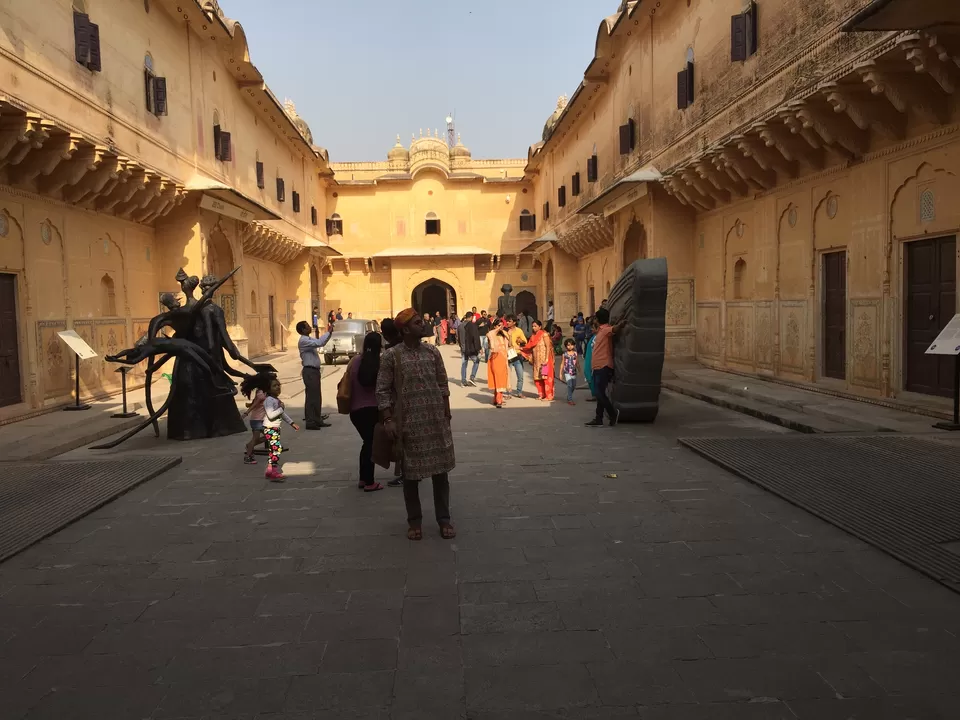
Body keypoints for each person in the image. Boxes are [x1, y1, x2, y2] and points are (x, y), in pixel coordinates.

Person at [377, 309, 456, 541]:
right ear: (405, 329)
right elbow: (382, 390)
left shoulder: (432, 352)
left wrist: (446, 413)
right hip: (408, 424)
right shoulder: (392, 356)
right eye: (418, 323)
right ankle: (414, 521)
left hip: (435, 422)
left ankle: (444, 519)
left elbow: (443, 383)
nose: (423, 325)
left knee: (441, 474)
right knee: (411, 476)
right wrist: (388, 419)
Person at [346, 332, 384, 492]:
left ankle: (363, 478)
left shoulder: (354, 361)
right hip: (372, 410)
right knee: (370, 444)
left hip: (355, 411)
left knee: (367, 443)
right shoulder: (380, 362)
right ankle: (369, 482)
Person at [586, 307, 626, 428]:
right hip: (598, 366)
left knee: (599, 393)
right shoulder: (600, 331)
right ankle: (598, 418)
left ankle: (612, 413)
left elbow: (614, 329)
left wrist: (621, 324)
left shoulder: (605, 330)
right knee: (600, 393)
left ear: (597, 319)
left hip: (603, 366)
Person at [380, 318, 405, 488]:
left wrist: (387, 416)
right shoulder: (401, 347)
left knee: (401, 440)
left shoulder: (391, 352)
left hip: (398, 401)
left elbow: (382, 386)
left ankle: (405, 473)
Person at [262, 376, 300, 481]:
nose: (278, 387)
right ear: (268, 389)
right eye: (274, 386)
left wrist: (291, 423)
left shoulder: (276, 400)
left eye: (279, 385)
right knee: (276, 449)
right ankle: (274, 472)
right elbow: (271, 415)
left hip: (274, 428)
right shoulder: (269, 400)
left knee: (273, 449)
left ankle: (269, 470)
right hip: (270, 428)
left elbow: (282, 414)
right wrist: (281, 408)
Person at [297, 320, 332, 430]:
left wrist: (328, 334)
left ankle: (317, 419)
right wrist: (329, 332)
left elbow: (321, 342)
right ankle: (310, 421)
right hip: (310, 371)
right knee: (312, 397)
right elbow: (320, 342)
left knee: (316, 397)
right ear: (303, 330)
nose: (309, 327)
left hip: (314, 371)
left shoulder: (308, 339)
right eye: (307, 326)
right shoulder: (303, 341)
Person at [240, 371, 271, 464]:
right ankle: (247, 457)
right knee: (257, 438)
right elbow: (254, 405)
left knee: (268, 436)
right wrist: (246, 413)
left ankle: (249, 446)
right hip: (257, 420)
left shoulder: (261, 392)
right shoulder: (261, 394)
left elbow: (254, 403)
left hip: (259, 420)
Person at [522, 319, 555, 401]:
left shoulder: (544, 335)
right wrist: (521, 349)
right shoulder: (533, 336)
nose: (533, 328)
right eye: (532, 326)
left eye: (535, 326)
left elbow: (548, 347)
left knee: (545, 377)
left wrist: (547, 358)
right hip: (536, 361)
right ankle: (541, 394)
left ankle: (549, 396)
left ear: (540, 327)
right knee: (537, 378)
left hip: (544, 361)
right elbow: (529, 346)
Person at [486, 317, 510, 408]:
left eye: (502, 325)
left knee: (502, 379)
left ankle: (496, 398)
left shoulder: (504, 334)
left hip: (503, 359)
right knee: (498, 378)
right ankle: (499, 400)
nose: (501, 327)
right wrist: (497, 330)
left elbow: (509, 343)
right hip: (495, 359)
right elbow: (490, 335)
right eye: (499, 325)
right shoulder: (491, 334)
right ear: (495, 326)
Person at [503, 314, 527, 398]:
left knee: (520, 375)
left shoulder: (519, 331)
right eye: (507, 321)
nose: (507, 323)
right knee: (507, 376)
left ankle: (519, 392)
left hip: (517, 355)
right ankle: (508, 393)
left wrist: (520, 341)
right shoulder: (504, 331)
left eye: (509, 321)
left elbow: (525, 342)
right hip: (507, 355)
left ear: (514, 322)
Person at [459, 312, 481, 387]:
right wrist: (478, 348)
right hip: (470, 349)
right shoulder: (472, 325)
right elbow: (475, 338)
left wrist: (461, 347)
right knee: (477, 361)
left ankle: (463, 381)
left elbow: (458, 338)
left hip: (463, 348)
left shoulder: (460, 326)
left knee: (464, 364)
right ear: (471, 317)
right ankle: (472, 377)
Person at [584, 321, 598, 402]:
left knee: (591, 376)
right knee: (588, 375)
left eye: (593, 328)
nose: (591, 329)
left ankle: (595, 395)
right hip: (589, 359)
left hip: (593, 360)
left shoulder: (597, 338)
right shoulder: (593, 337)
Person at [562, 340, 579, 405]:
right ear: (566, 346)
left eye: (571, 345)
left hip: (573, 371)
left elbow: (577, 363)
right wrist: (560, 373)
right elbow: (562, 363)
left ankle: (569, 395)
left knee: (573, 385)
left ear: (574, 345)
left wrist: (580, 370)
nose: (570, 346)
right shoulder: (564, 354)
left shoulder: (575, 353)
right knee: (570, 385)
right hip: (567, 371)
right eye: (568, 345)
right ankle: (570, 399)